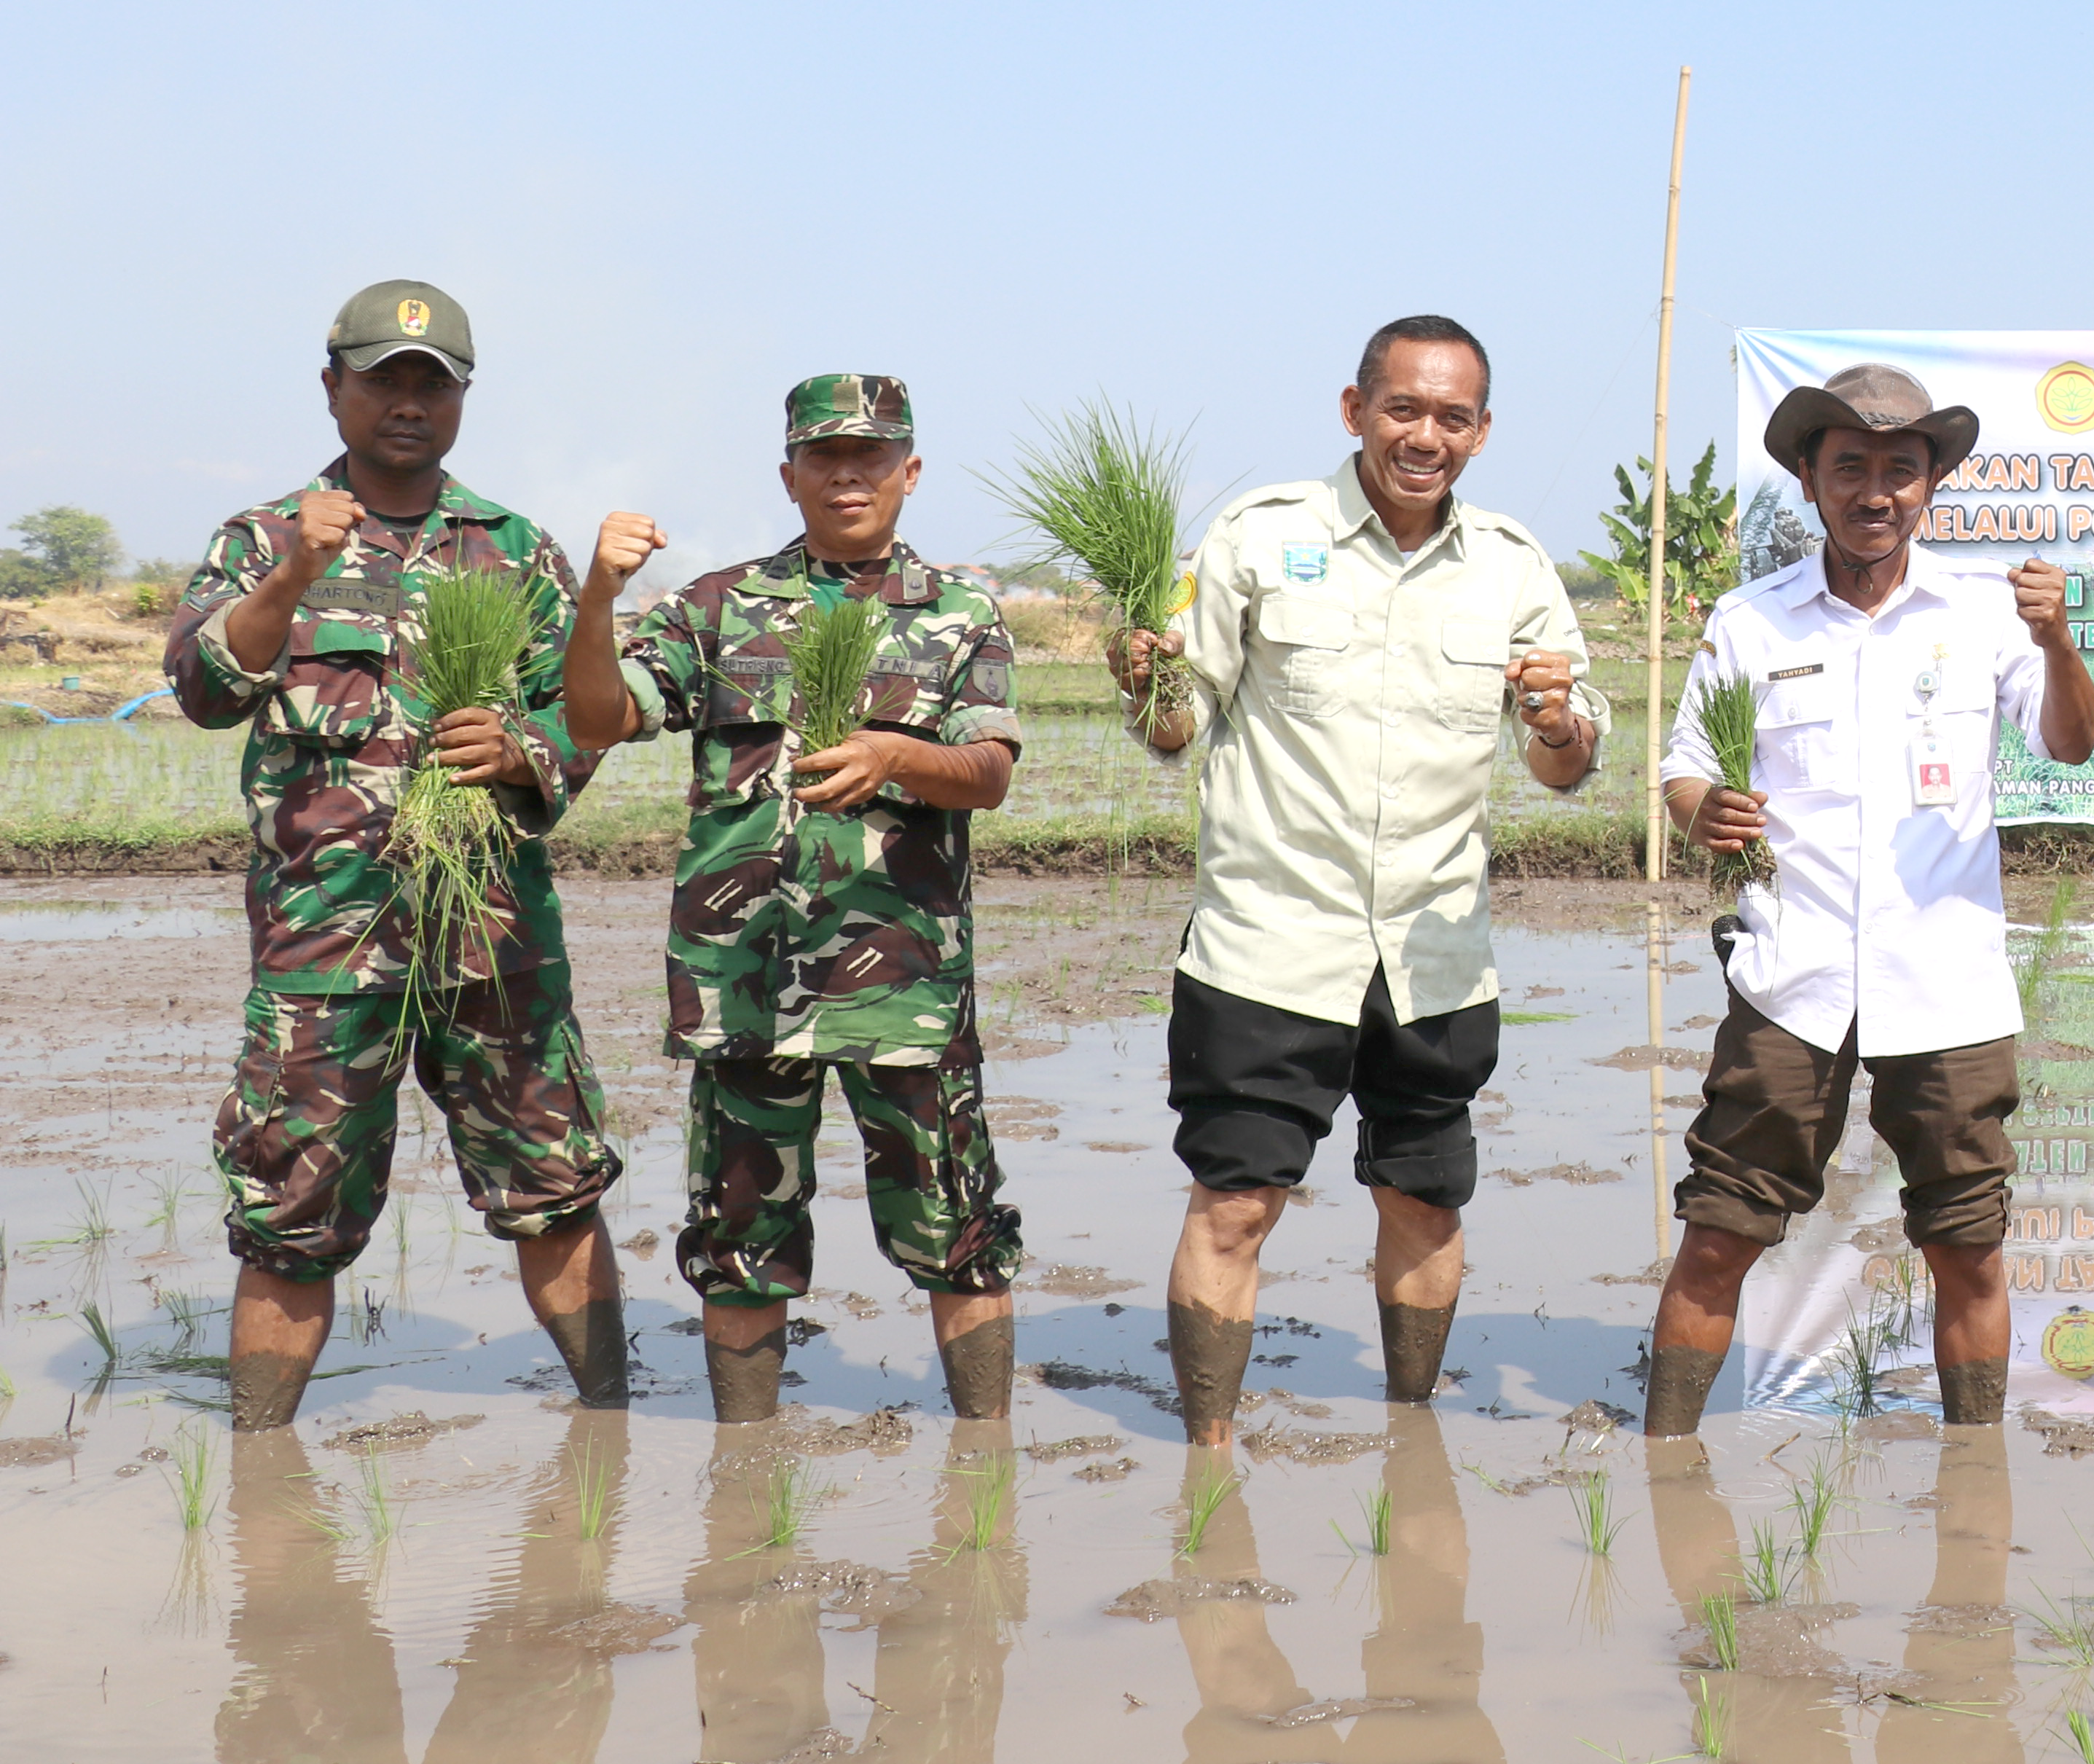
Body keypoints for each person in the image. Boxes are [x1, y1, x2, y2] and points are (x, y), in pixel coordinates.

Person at [1114, 315, 1602, 1440]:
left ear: (1483, 432)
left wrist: (1559, 718)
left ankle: (1411, 1435)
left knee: (1425, 1204)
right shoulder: (1257, 535)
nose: (1424, 435)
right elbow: (1178, 727)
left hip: (1436, 958)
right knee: (1235, 1207)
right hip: (1268, 943)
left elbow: (1566, 766)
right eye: (1403, 409)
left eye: (1451, 416)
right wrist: (1142, 681)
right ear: (1354, 411)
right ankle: (1207, 1458)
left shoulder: (1516, 569)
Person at [165, 278, 628, 1432]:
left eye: (433, 383)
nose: (408, 403)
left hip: (495, 941)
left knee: (557, 1191)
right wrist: (289, 581)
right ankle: (259, 1475)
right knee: (292, 1212)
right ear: (335, 389)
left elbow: (589, 713)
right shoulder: (265, 537)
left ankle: (613, 1433)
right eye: (385, 379)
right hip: (327, 948)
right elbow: (202, 689)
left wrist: (525, 751)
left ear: (461, 401)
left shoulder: (517, 550)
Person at [559, 375, 1030, 1424]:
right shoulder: (719, 605)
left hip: (900, 982)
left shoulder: (958, 614)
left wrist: (899, 756)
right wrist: (598, 596)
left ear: (910, 472)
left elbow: (991, 773)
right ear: (790, 474)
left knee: (957, 1231)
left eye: (870, 455)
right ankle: (746, 1487)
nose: (847, 473)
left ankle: (982, 1473)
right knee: (739, 1242)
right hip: (745, 980)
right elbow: (598, 717)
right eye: (825, 455)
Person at [1652, 362, 2094, 1433]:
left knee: (1968, 1248)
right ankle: (1662, 1456)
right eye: (1849, 466)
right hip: (1789, 980)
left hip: (1945, 987)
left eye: (1901, 469)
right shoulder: (1752, 621)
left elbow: (2071, 743)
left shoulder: (1987, 615)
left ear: (1931, 485)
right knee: (1719, 1234)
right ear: (1809, 481)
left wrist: (2058, 639)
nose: (1875, 492)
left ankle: (1973, 1475)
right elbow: (1681, 768)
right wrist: (1702, 806)